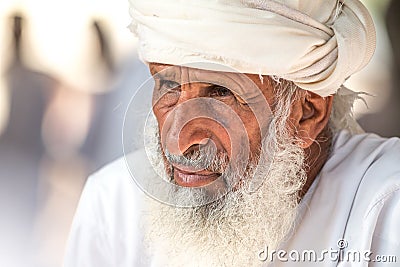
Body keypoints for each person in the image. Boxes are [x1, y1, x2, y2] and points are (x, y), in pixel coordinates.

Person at [64, 0, 400, 266]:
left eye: (221, 94)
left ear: (306, 113)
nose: (177, 142)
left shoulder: (386, 208)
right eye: (168, 85)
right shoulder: (112, 203)